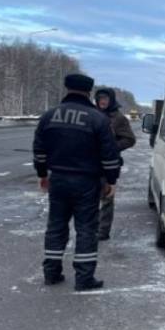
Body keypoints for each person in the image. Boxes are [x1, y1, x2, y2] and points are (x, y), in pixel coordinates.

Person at [33, 73, 121, 291]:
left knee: (55, 226)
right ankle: (84, 278)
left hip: (59, 179)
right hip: (86, 182)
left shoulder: (50, 116)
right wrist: (111, 180)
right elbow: (109, 155)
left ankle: (51, 273)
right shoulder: (98, 119)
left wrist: (42, 174)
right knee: (86, 229)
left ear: (67, 88)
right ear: (89, 92)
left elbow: (39, 150)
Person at [93, 87, 136, 241]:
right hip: (90, 164)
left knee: (106, 198)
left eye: (105, 98)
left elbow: (130, 139)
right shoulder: (91, 114)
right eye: (100, 98)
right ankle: (90, 227)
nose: (102, 101)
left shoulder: (118, 118)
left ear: (111, 100)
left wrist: (112, 147)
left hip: (109, 165)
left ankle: (103, 231)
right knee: (89, 198)